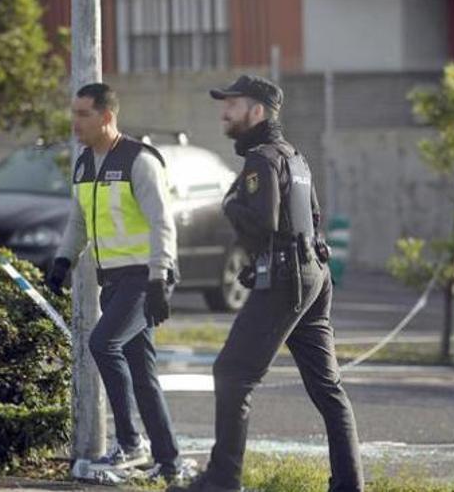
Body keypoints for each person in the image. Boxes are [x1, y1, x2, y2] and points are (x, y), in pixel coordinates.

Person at [168, 75, 364, 492]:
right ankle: (350, 485)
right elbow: (309, 221)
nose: (224, 113)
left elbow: (262, 220)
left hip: (286, 279)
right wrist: (257, 262)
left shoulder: (261, 159)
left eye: (232, 105)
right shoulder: (294, 155)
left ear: (257, 111)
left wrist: (231, 204)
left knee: (232, 373)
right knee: (328, 388)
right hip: (312, 274)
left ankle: (222, 481)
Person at [46, 83, 188, 480]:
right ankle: (170, 464)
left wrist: (160, 280)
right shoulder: (83, 163)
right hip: (113, 280)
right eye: (73, 113)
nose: (74, 122)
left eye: (83, 114)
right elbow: (78, 222)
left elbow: (163, 223)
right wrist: (62, 262)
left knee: (102, 343)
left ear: (107, 117)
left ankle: (130, 444)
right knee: (143, 374)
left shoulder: (139, 161)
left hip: (145, 278)